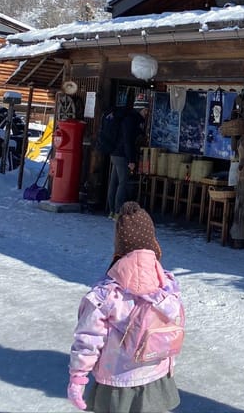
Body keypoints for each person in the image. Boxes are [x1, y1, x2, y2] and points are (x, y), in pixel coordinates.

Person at [68, 201, 182, 413]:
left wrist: (78, 376)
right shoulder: (167, 287)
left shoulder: (106, 295)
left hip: (116, 381)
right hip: (155, 375)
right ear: (153, 244)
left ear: (119, 248)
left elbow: (89, 337)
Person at [106, 96, 149, 219]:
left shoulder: (127, 117)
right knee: (123, 183)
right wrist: (131, 160)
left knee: (114, 183)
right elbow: (128, 141)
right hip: (122, 155)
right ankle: (118, 212)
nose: (146, 112)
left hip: (115, 153)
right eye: (145, 109)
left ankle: (112, 211)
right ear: (140, 109)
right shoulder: (132, 120)